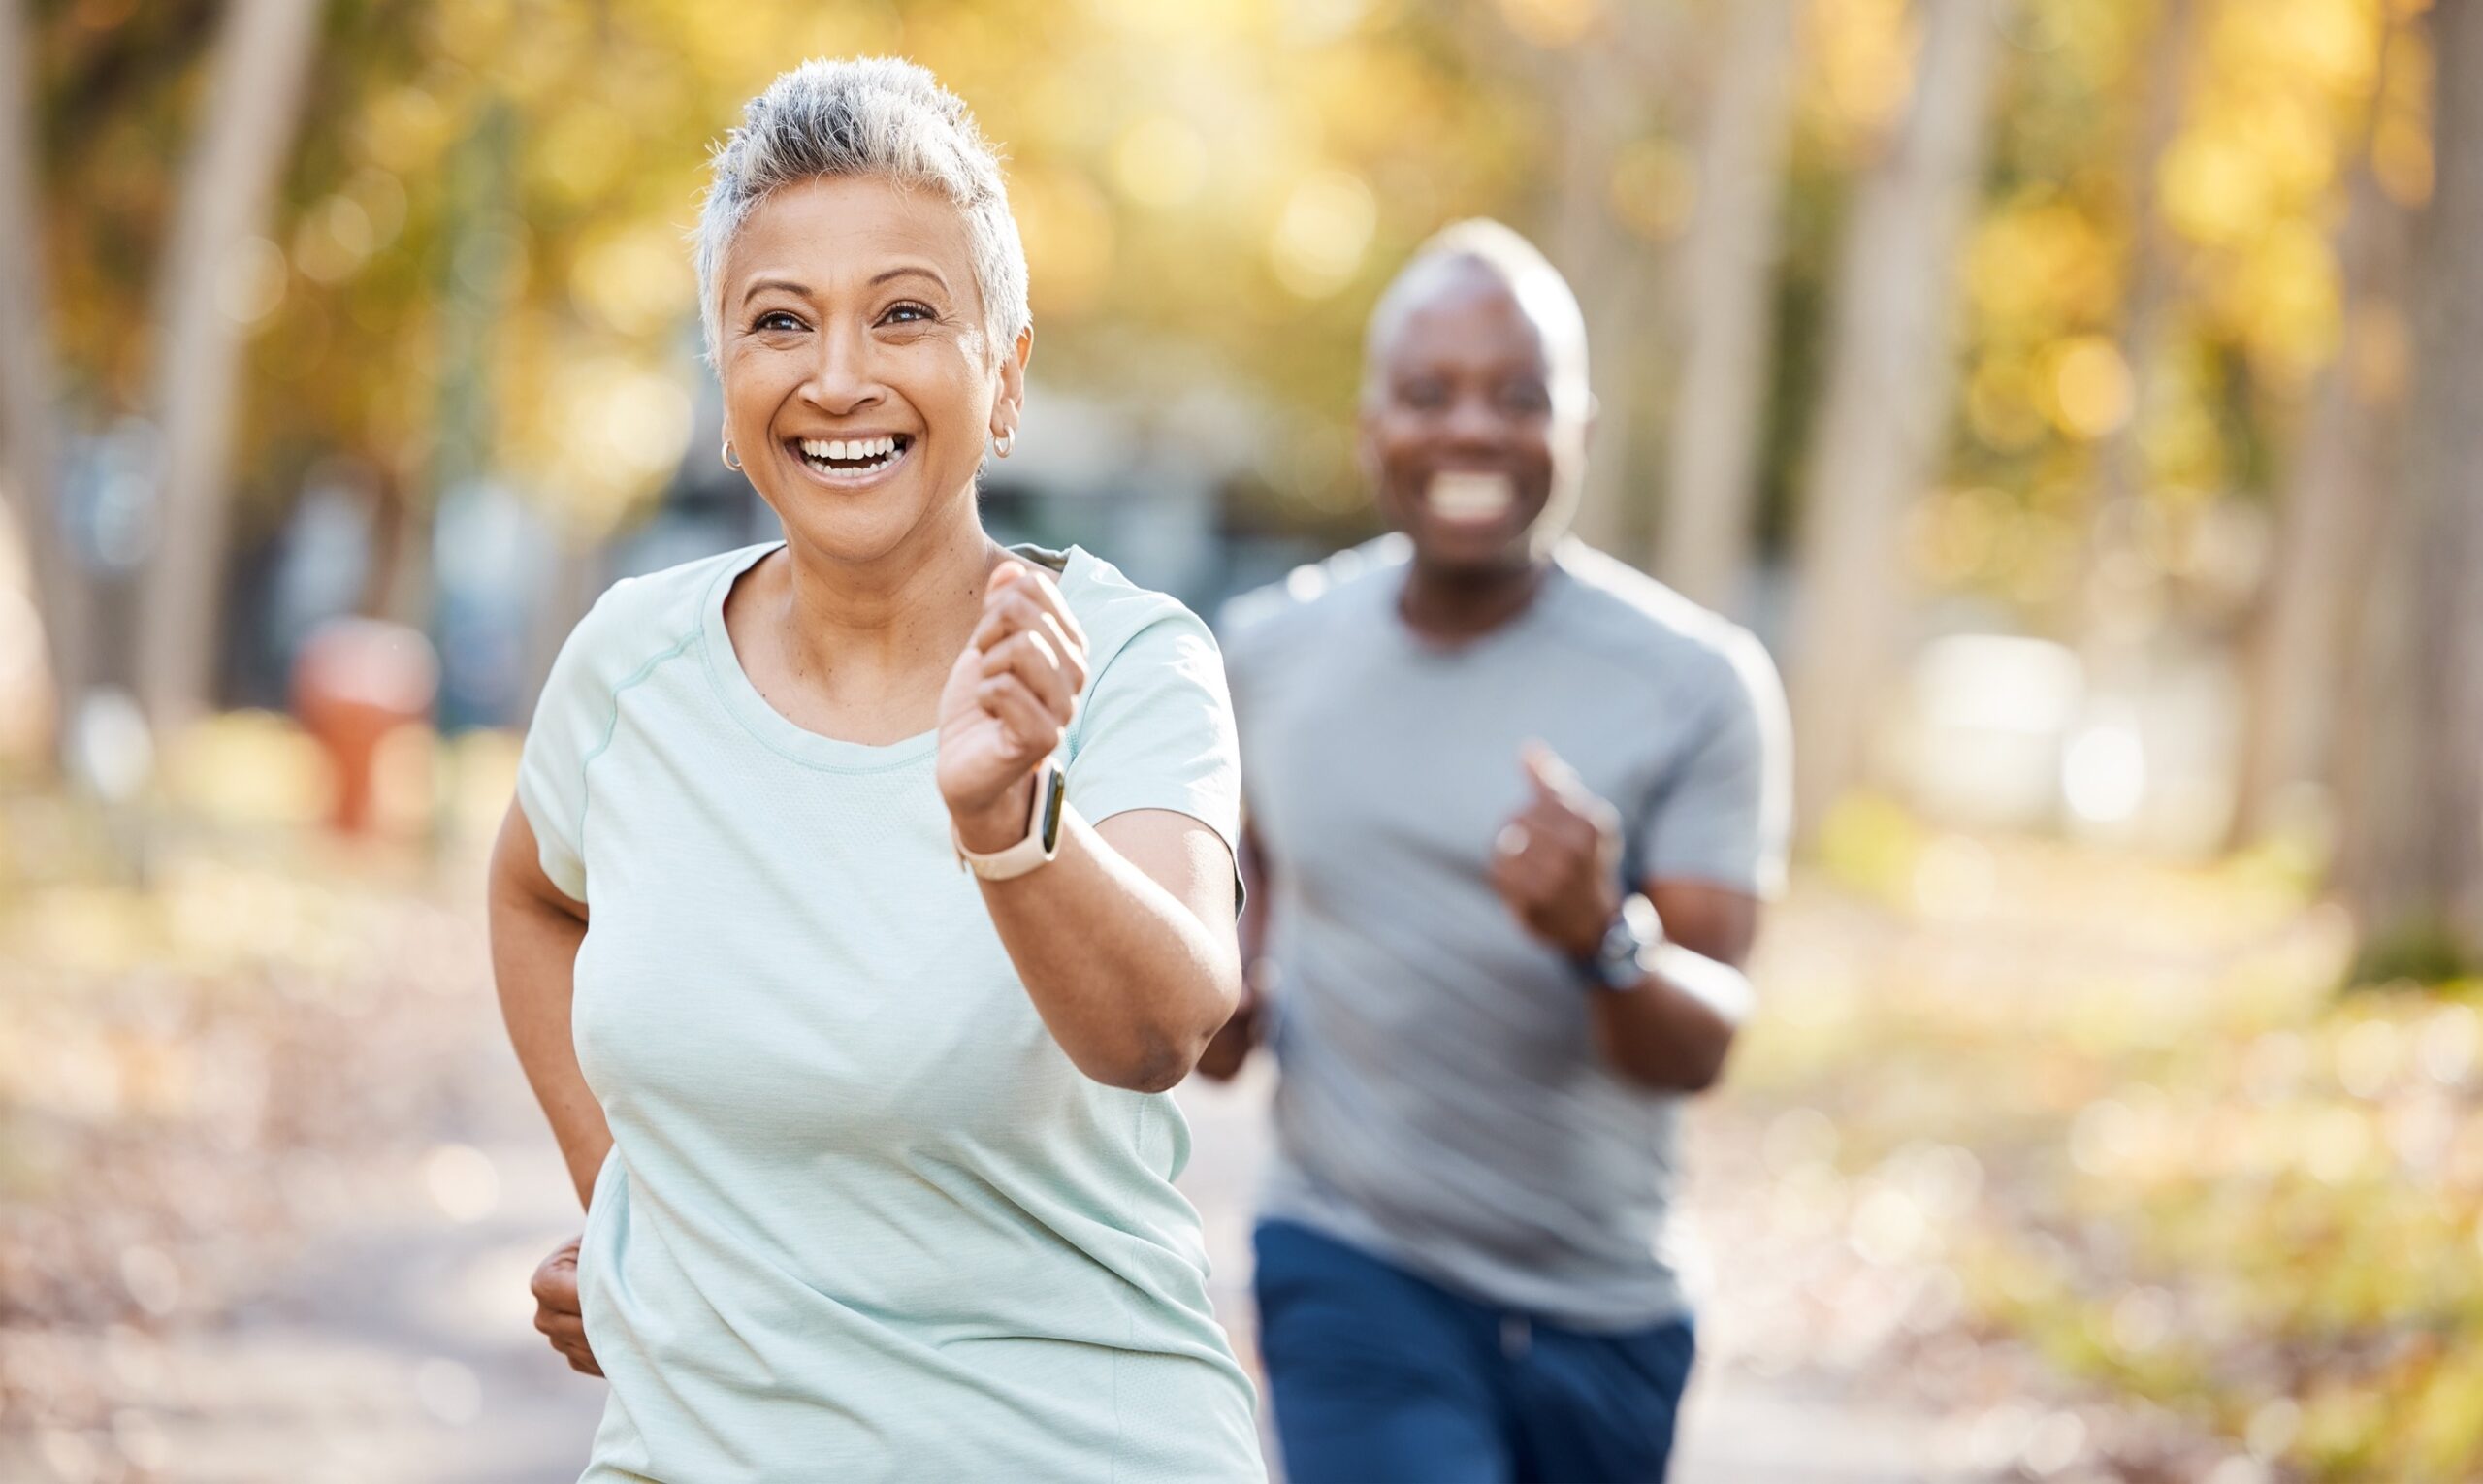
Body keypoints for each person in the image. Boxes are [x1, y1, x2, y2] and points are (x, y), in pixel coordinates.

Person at [490, 57, 1262, 1480]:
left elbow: (1165, 1029)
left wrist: (1014, 820)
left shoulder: (1130, 662)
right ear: (726, 385)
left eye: (906, 313)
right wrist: (630, 1217)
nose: (838, 376)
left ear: (1005, 373)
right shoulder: (629, 664)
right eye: (779, 322)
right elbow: (533, 896)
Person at [1199, 219, 1792, 1483]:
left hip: (1603, 1311)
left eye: (1517, 396)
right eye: (1430, 393)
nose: (1469, 429)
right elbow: (1223, 992)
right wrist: (1208, 993)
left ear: (1578, 429)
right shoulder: (1264, 657)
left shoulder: (1696, 686)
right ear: (1372, 428)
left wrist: (1602, 932)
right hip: (1349, 1263)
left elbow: (1703, 1039)